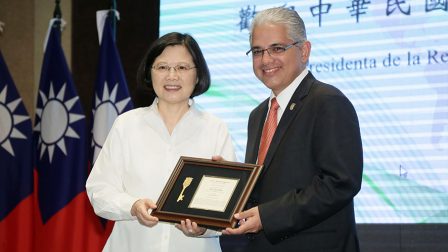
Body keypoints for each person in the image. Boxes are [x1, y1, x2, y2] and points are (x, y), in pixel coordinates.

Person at [220, 7, 363, 252]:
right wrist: (227, 182)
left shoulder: (327, 101)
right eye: (257, 51)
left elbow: (340, 183)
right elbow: (268, 186)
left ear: (304, 50)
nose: (265, 60)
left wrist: (267, 216)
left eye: (277, 48)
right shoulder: (258, 115)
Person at [86, 32, 236, 252]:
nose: (172, 76)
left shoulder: (215, 129)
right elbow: (99, 190)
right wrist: (132, 206)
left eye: (183, 68)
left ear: (197, 75)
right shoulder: (126, 125)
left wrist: (204, 228)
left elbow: (228, 209)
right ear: (150, 73)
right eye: (162, 67)